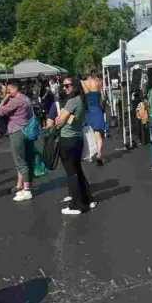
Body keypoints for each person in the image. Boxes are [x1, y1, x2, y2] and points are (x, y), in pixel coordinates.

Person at [55, 76, 93, 215]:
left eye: (68, 85)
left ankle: (77, 205)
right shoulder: (81, 100)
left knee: (72, 174)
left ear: (75, 86)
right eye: (63, 86)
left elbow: (59, 121)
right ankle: (87, 199)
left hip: (68, 139)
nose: (65, 88)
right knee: (78, 170)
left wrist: (58, 119)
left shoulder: (72, 101)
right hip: (77, 138)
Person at [0, 79, 34, 202]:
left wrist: (5, 99)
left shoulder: (15, 101)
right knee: (26, 159)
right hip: (26, 131)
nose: (7, 91)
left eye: (9, 89)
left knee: (20, 161)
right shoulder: (26, 99)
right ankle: (25, 186)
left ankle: (27, 189)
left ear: (13, 89)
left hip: (16, 132)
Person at [82, 71, 106, 165]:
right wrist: (103, 109)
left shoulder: (83, 83)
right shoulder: (99, 82)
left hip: (88, 110)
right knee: (98, 134)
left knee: (89, 133)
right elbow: (103, 97)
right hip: (97, 109)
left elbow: (82, 98)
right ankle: (99, 154)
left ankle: (90, 155)